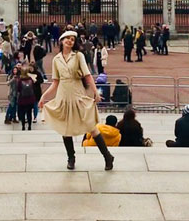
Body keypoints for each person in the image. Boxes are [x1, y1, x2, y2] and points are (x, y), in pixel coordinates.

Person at [38, 30, 115, 171]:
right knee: (65, 128)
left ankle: (107, 156)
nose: (69, 41)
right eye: (67, 38)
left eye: (72, 39)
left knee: (91, 127)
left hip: (77, 94)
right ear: (61, 41)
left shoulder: (78, 56)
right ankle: (71, 158)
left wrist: (95, 92)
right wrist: (44, 97)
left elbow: (87, 76)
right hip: (63, 96)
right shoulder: (56, 59)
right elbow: (55, 82)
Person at [16, 65, 37, 130]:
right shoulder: (30, 79)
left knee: (22, 113)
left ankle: (23, 126)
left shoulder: (20, 80)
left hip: (22, 99)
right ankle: (29, 126)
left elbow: (18, 89)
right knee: (29, 113)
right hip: (30, 99)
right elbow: (33, 88)